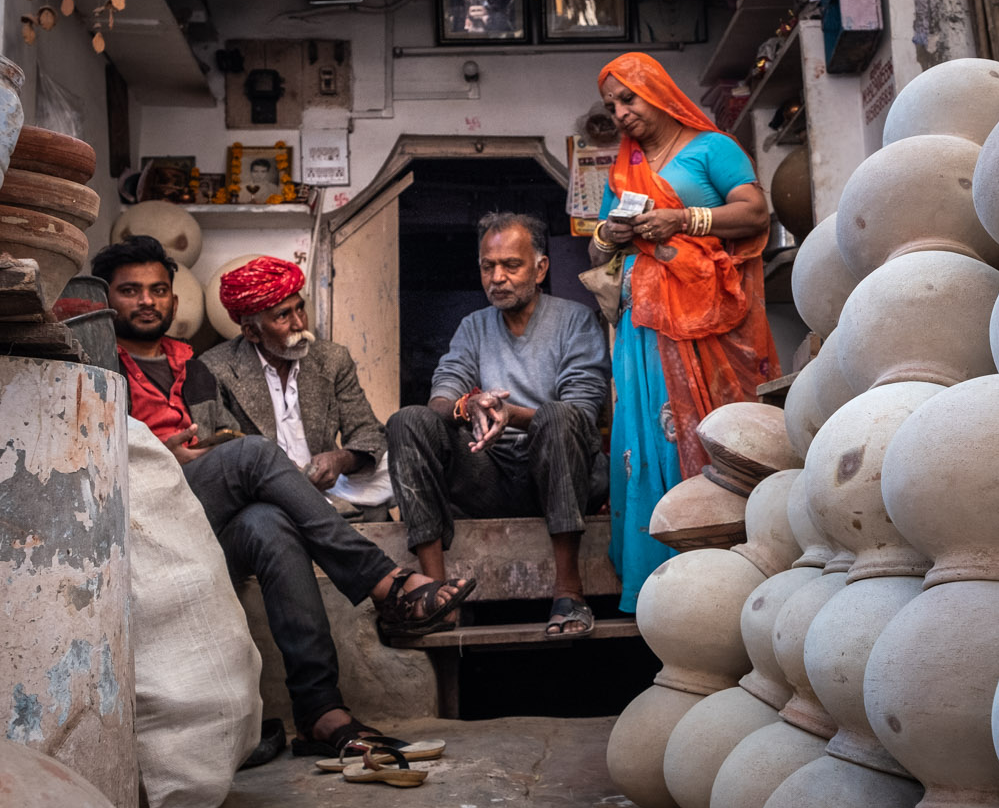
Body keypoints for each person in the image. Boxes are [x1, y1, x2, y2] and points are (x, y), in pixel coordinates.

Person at [93, 236, 473, 761]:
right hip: (141, 516)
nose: (147, 301)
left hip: (203, 518)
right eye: (130, 291)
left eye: (158, 290)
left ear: (175, 303)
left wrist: (323, 460)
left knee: (271, 524)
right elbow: (90, 452)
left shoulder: (190, 364)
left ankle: (320, 711)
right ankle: (386, 584)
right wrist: (161, 455)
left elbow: (214, 440)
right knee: (255, 454)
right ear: (105, 300)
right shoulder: (97, 365)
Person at [589, 52, 779, 611]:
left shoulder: (711, 148)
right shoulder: (623, 171)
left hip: (711, 324)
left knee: (713, 433)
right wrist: (611, 234)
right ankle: (660, 591)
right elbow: (598, 250)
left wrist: (684, 219)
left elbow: (755, 213)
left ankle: (729, 578)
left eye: (629, 99)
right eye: (611, 106)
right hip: (644, 332)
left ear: (659, 93)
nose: (621, 113)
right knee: (649, 441)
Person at [385, 213, 611, 637]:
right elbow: (442, 396)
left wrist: (513, 415)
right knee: (408, 421)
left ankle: (569, 591)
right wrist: (467, 406)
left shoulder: (575, 321)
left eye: (511, 265)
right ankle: (437, 593)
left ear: (541, 268)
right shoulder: (473, 326)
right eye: (488, 266)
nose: (497, 277)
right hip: (491, 475)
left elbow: (582, 412)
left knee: (559, 416)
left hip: (560, 475)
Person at [198, 255, 393, 515]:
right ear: (252, 332)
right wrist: (276, 471)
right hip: (264, 491)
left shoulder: (332, 359)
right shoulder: (215, 367)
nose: (300, 324)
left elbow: (367, 432)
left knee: (400, 461)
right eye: (283, 316)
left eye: (300, 309)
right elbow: (222, 448)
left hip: (329, 485)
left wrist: (340, 459)